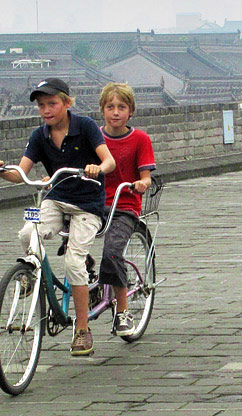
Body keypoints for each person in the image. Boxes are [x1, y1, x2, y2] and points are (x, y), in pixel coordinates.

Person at [0, 78, 116, 356]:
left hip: (87, 203)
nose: (46, 110)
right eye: (41, 105)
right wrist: (2, 169)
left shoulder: (85, 127)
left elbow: (109, 161)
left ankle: (82, 330)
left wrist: (97, 168)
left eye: (52, 104)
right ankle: (31, 276)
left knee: (73, 262)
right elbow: (19, 173)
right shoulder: (39, 135)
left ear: (67, 103)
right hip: (56, 198)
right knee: (27, 234)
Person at [98, 83, 156, 336]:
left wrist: (141, 184)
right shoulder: (95, 138)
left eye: (121, 107)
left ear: (130, 111)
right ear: (102, 110)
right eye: (110, 107)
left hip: (124, 205)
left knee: (112, 252)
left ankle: (122, 311)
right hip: (95, 203)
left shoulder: (140, 139)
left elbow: (146, 177)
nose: (116, 112)